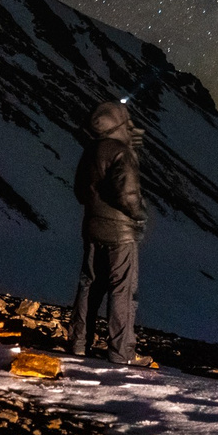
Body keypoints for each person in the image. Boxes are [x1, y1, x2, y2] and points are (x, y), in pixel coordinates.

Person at [69, 98, 150, 365]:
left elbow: (80, 191)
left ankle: (79, 343)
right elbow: (127, 195)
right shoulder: (121, 152)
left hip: (92, 227)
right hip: (121, 233)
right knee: (122, 291)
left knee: (89, 285)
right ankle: (121, 352)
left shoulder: (90, 150)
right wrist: (140, 215)